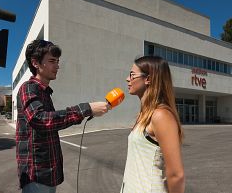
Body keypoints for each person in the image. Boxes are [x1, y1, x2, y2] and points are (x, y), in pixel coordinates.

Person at [16, 39, 109, 193]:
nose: (57, 65)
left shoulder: (44, 92)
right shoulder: (28, 88)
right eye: (52, 61)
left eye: (58, 61)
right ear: (35, 63)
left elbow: (50, 123)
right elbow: (39, 119)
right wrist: (85, 109)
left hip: (48, 174)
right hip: (37, 176)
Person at [121, 56, 185, 193]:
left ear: (148, 79)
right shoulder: (145, 115)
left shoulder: (161, 115)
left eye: (132, 75)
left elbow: (176, 174)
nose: (127, 78)